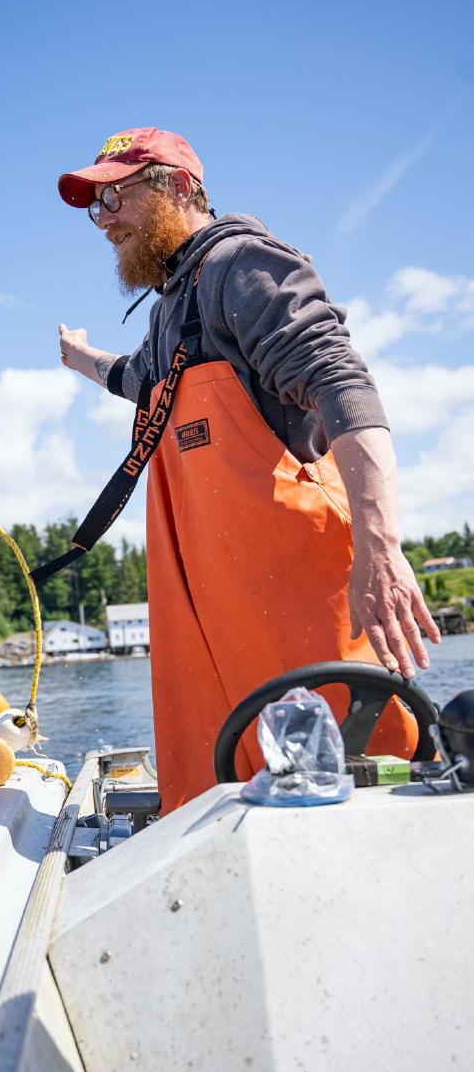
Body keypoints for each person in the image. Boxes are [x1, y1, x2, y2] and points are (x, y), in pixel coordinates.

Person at [56, 128, 440, 810]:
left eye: (115, 194)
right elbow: (141, 377)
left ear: (177, 186)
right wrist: (82, 359)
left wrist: (380, 552)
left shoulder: (242, 264)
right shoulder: (175, 305)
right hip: (220, 636)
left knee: (357, 809)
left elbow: (345, 388)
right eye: (96, 204)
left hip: (302, 629)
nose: (104, 217)